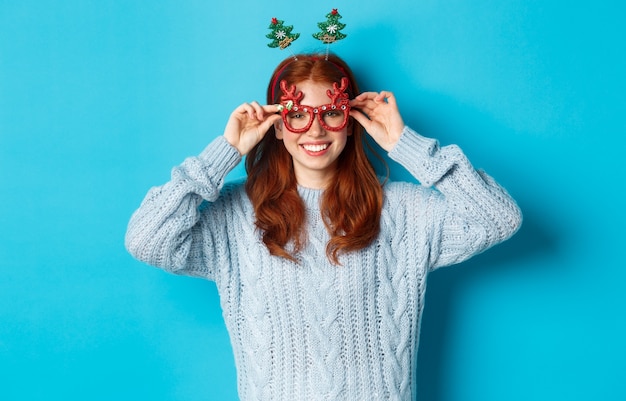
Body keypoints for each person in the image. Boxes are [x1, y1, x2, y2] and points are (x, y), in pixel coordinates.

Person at [125, 53, 522, 401]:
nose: (315, 130)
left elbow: (498, 218)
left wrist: (405, 143)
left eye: (331, 113)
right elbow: (147, 240)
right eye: (297, 115)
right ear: (276, 125)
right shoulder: (235, 215)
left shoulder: (403, 211)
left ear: (350, 122)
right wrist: (223, 154)